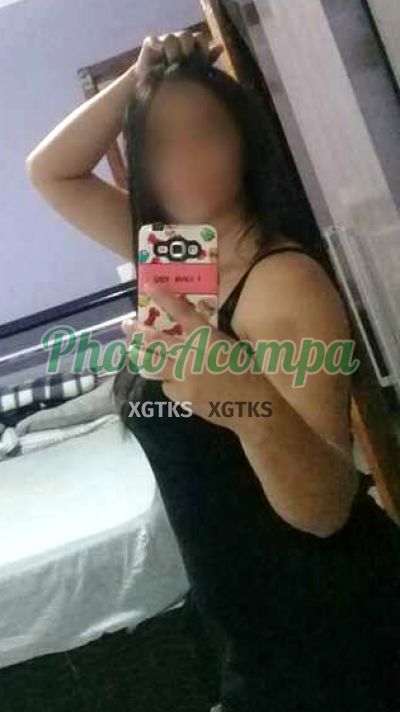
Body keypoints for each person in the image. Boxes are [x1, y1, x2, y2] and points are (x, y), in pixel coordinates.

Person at [26, 30, 400, 712]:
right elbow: (51, 172)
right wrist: (137, 77)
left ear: (243, 143)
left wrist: (243, 398)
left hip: (328, 625)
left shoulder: (282, 281)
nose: (185, 159)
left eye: (206, 133)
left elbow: (324, 510)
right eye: (159, 145)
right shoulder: (182, 258)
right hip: (255, 624)